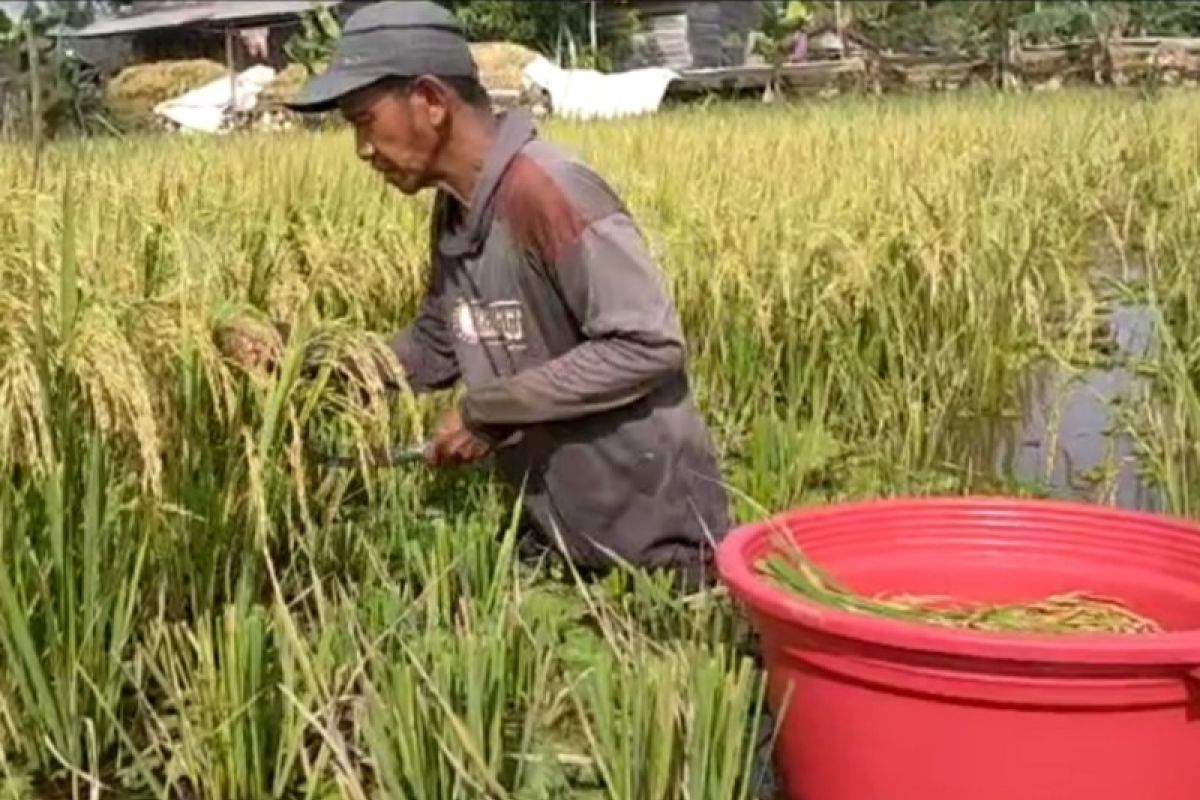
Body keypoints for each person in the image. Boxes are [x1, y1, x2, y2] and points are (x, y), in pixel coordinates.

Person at [276, 0, 730, 590]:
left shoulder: (550, 193)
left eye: (364, 120)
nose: (362, 149)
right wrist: (304, 361)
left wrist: (485, 412)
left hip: (657, 558)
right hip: (561, 541)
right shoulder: (456, 210)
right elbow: (438, 346)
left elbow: (644, 345)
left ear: (432, 102)